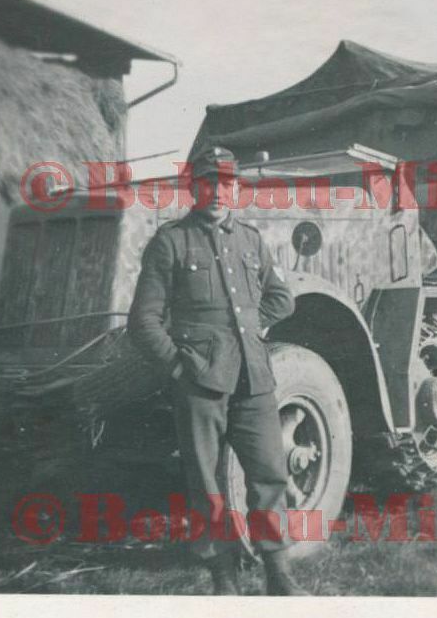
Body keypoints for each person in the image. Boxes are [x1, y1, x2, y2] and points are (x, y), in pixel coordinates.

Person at [127, 146, 305, 595]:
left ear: (238, 188)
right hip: (200, 384)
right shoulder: (170, 241)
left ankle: (278, 574)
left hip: (254, 378)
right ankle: (222, 576)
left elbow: (283, 298)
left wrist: (252, 320)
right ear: (193, 188)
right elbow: (142, 321)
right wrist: (176, 368)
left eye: (227, 182)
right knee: (206, 485)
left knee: (269, 474)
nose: (218, 191)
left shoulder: (251, 239)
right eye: (209, 182)